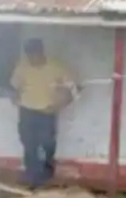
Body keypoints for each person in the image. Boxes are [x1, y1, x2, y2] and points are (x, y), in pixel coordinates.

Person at [10, 38, 78, 188]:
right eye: (29, 56)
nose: (32, 59)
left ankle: (47, 173)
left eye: (34, 55)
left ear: (41, 52)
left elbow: (73, 89)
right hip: (27, 111)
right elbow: (15, 87)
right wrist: (16, 98)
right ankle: (32, 175)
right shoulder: (23, 66)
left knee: (47, 143)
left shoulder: (56, 67)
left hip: (47, 112)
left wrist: (59, 105)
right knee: (28, 143)